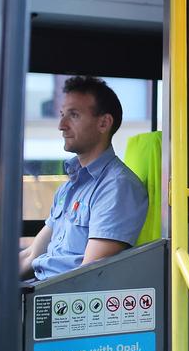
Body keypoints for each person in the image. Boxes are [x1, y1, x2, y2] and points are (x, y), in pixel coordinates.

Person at [19, 76, 148, 281]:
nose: (61, 125)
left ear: (104, 123)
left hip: (61, 301)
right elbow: (31, 255)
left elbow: (88, 276)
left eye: (74, 115)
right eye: (62, 115)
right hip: (38, 289)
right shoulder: (69, 188)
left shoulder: (117, 187)